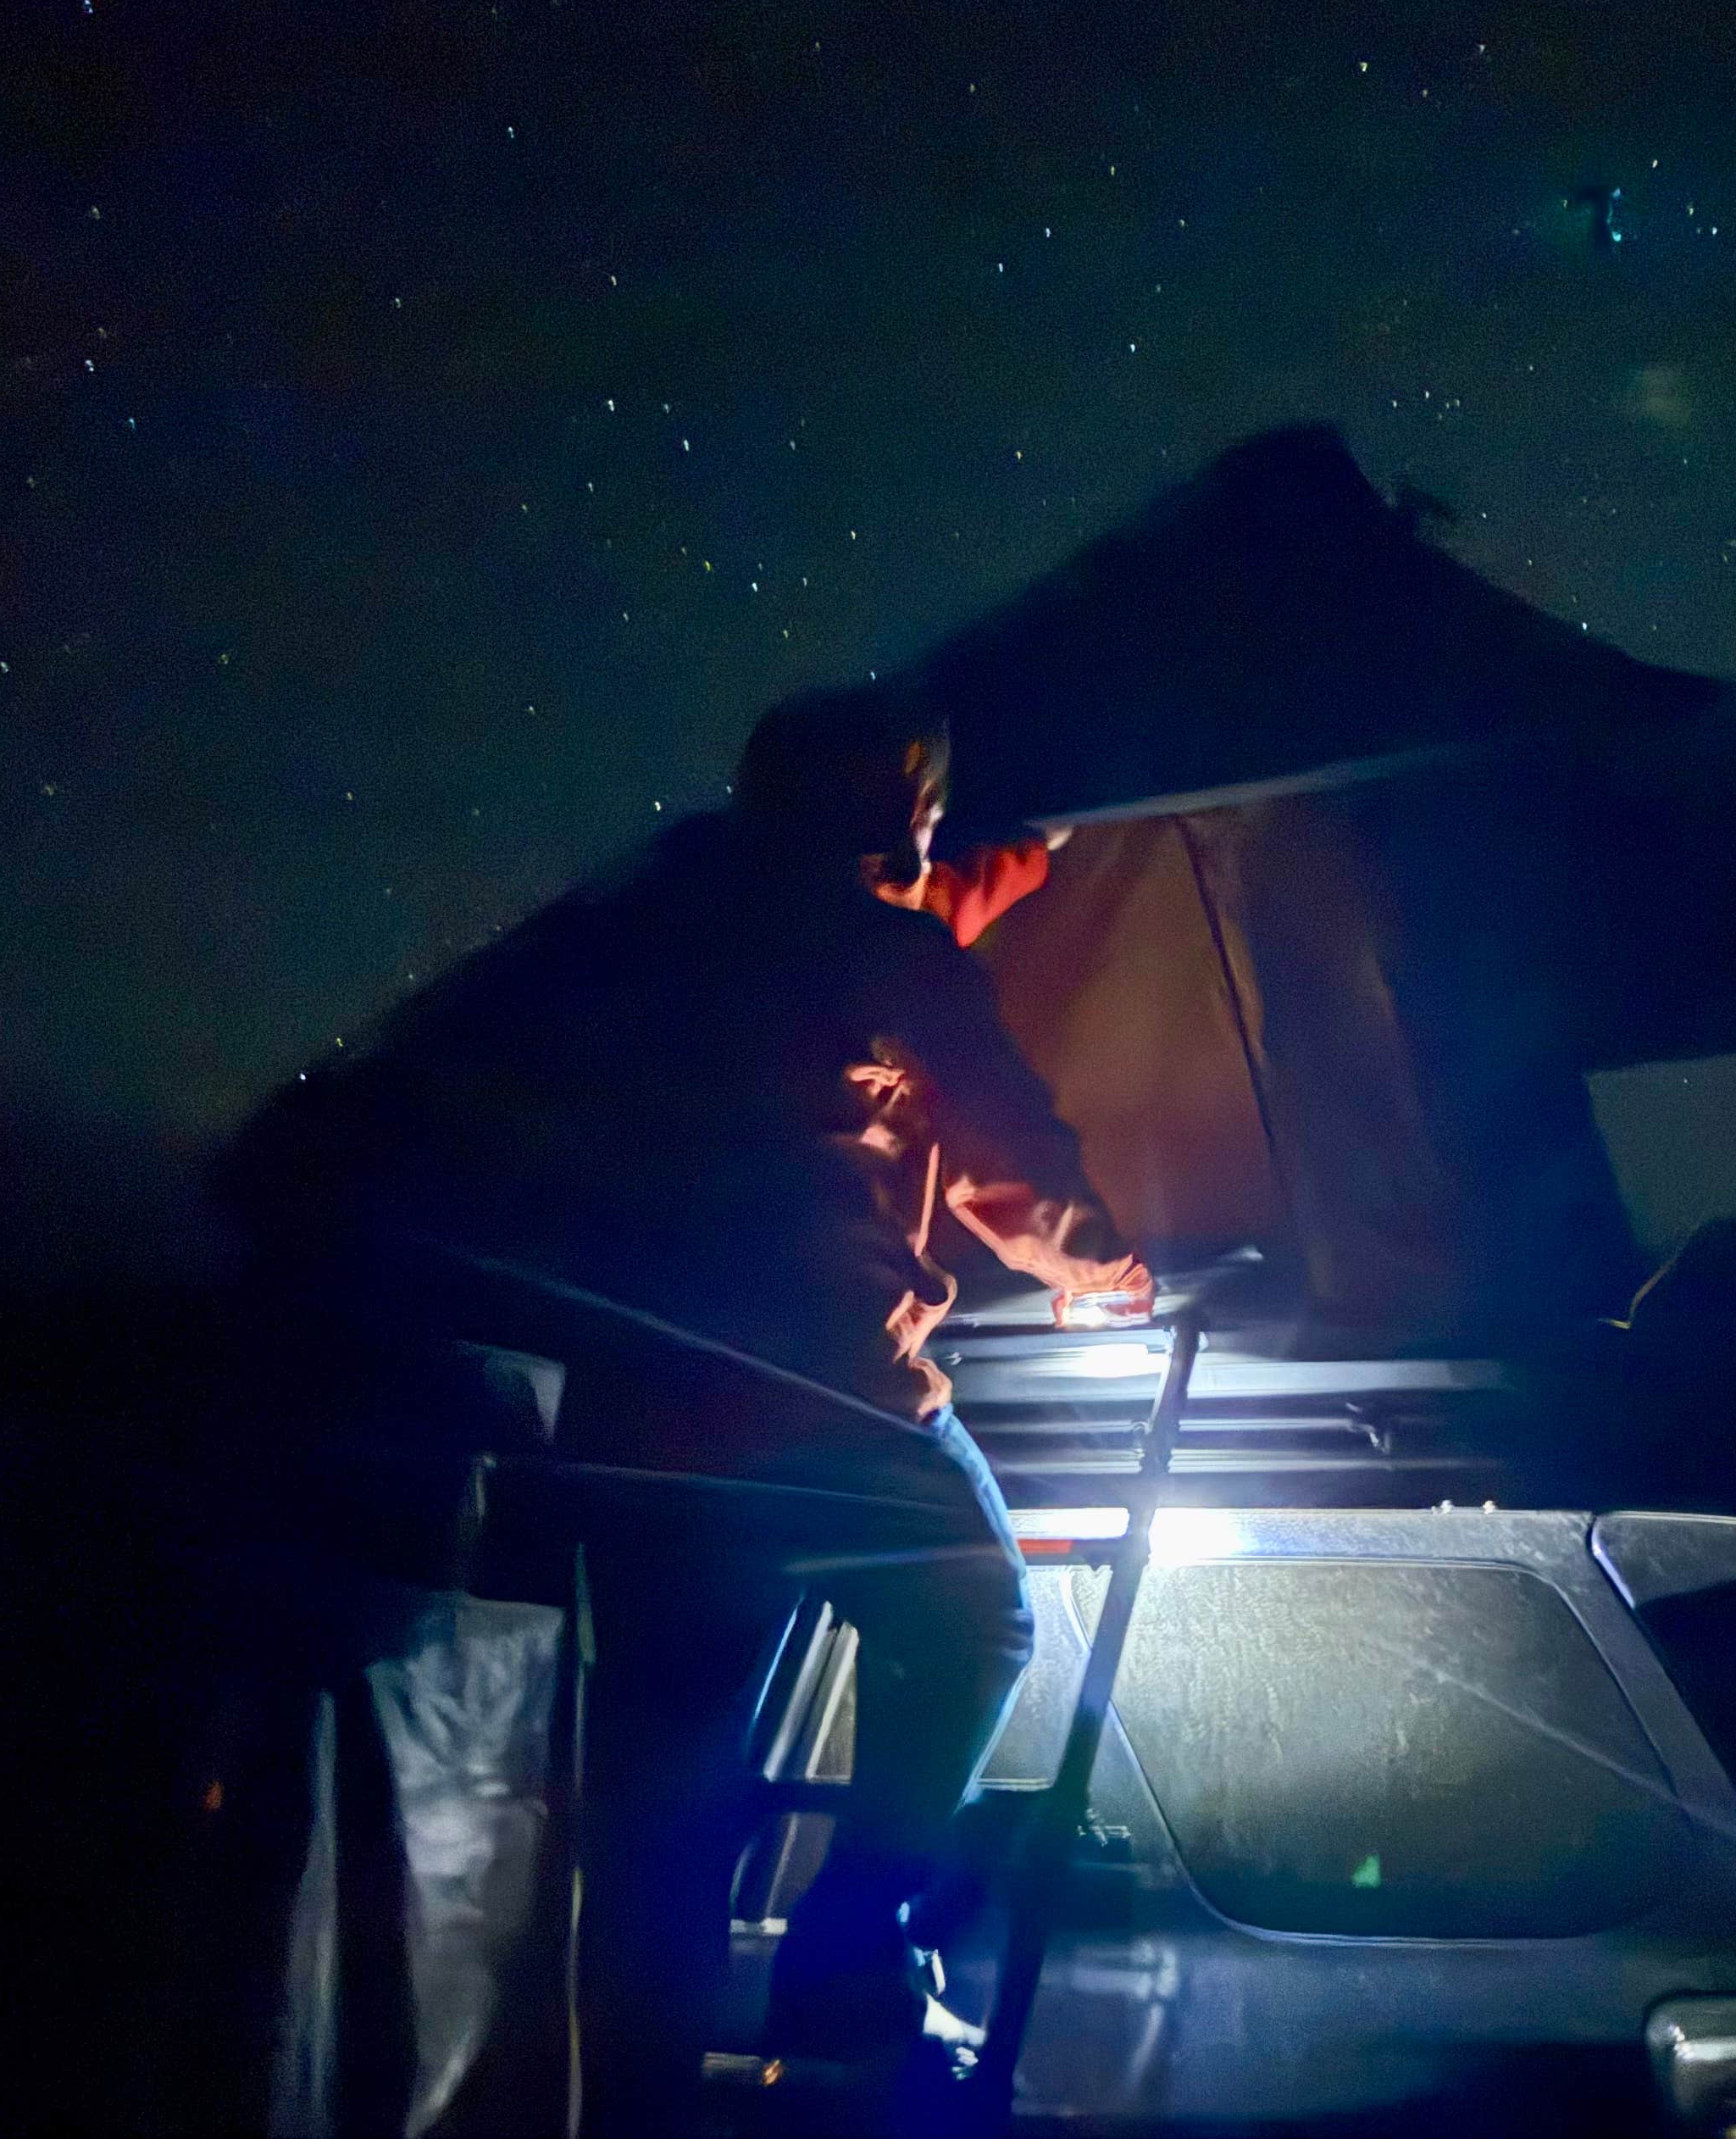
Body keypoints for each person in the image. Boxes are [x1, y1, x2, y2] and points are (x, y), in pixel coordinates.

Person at [214, 684, 1151, 2106]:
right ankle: (846, 1963)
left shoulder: (633, 935)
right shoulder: (879, 951)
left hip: (635, 1414)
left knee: (672, 1756)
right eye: (929, 812)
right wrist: (1109, 1271)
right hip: (827, 1385)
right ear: (899, 808)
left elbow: (903, 915)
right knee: (978, 1620)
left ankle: (627, 2075)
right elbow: (1004, 1144)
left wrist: (1023, 854)